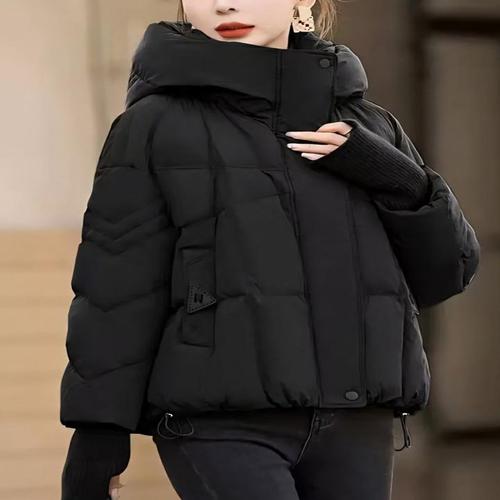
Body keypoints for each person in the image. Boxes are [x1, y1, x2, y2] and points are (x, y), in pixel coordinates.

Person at [59, 1, 480, 499]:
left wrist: (401, 180)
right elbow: (116, 288)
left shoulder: (369, 126)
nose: (225, 3)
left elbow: (445, 273)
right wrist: (98, 432)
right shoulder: (153, 125)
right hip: (221, 424)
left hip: (356, 424)